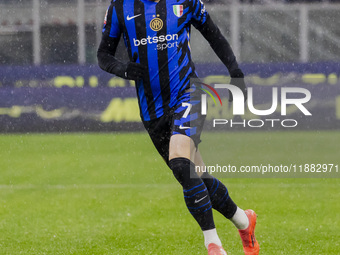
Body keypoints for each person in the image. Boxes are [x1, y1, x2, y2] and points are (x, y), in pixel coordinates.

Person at [97, 0, 259, 254]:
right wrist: (123, 69)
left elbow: (213, 35)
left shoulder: (186, 2)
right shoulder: (120, 6)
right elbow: (103, 55)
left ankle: (213, 244)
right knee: (195, 177)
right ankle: (244, 221)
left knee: (181, 164)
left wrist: (235, 72)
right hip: (152, 110)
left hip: (189, 95)